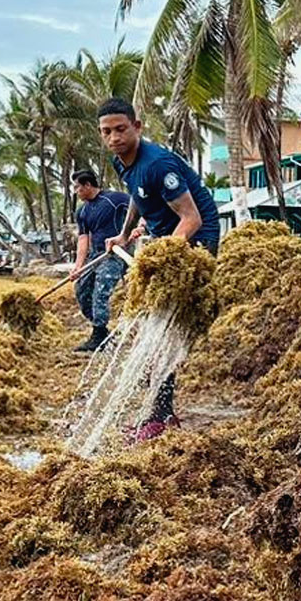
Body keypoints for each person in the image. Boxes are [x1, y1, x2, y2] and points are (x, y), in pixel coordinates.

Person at [96, 96, 221, 442]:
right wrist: (123, 234)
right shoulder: (123, 162)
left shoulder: (158, 165)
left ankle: (158, 418)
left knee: (164, 331)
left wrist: (163, 254)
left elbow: (192, 218)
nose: (114, 137)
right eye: (107, 132)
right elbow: (138, 195)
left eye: (121, 129)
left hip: (196, 240)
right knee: (153, 328)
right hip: (168, 237)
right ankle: (159, 413)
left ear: (137, 127)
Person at [69, 169, 131, 352]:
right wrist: (78, 266)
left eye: (77, 187)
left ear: (88, 185)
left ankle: (98, 336)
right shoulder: (82, 211)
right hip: (95, 256)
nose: (76, 191)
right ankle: (102, 330)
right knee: (81, 291)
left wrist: (140, 227)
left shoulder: (115, 199)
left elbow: (140, 208)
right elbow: (83, 239)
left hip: (114, 254)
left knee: (100, 293)